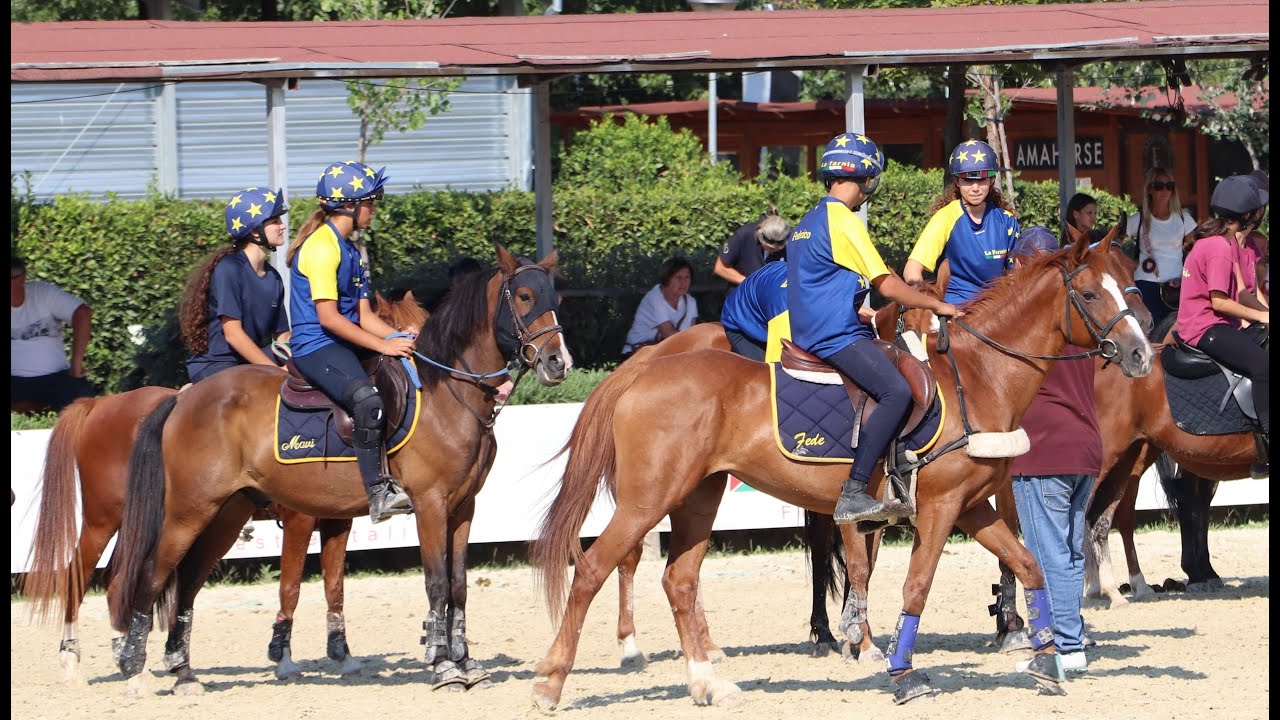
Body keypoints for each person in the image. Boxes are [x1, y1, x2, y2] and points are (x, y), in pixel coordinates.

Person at [787, 132, 959, 525]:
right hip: (834, 337)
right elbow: (889, 286)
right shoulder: (844, 221)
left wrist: (856, 309)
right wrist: (937, 304)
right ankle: (855, 489)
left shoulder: (808, 221)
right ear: (867, 178)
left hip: (813, 331)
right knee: (897, 391)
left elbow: (815, 282)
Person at [285, 160, 416, 524]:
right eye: (370, 202)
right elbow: (328, 318)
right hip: (316, 346)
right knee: (368, 400)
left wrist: (398, 338)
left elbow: (364, 316)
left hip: (342, 340)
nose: (373, 209)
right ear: (349, 204)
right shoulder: (321, 247)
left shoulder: (351, 251)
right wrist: (383, 346)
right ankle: (378, 492)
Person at [1007, 227, 1100, 676]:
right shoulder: (1079, 320)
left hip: (1042, 450)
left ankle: (1065, 647)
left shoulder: (1029, 325)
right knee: (1072, 553)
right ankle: (1073, 637)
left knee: (1049, 556)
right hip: (1085, 447)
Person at [1176, 174, 1269, 465]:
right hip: (1204, 327)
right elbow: (1219, 302)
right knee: (1263, 365)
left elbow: (1240, 293)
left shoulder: (1224, 244)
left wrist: (1266, 315)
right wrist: (1261, 315)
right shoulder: (1218, 248)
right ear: (1248, 215)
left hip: (1215, 324)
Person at [180, 187, 291, 384]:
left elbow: (282, 337)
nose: (283, 226)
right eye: (275, 221)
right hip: (217, 365)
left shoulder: (274, 277)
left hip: (247, 364)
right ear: (255, 232)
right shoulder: (229, 269)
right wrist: (276, 372)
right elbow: (233, 335)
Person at [903, 139, 1022, 304]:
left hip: (996, 311)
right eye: (968, 180)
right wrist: (932, 305)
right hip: (954, 311)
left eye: (981, 179)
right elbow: (911, 271)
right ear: (957, 182)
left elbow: (1018, 277)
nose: (975, 188)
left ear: (992, 180)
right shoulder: (944, 217)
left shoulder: (1007, 220)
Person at [10, 255, 97, 412]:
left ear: (21, 280)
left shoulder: (42, 293)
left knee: (83, 403)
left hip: (56, 378)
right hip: (14, 381)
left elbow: (83, 313)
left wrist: (76, 363)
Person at [1127, 167, 1197, 328]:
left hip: (1175, 285)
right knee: (1149, 332)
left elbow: (1195, 253)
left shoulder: (1183, 218)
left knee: (1177, 332)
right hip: (1146, 283)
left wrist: (1185, 278)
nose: (1165, 190)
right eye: (1159, 186)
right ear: (1150, 189)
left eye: (1169, 186)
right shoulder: (1138, 219)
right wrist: (1128, 263)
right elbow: (1114, 243)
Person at [622, 256, 699, 357]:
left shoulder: (691, 302)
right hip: (638, 354)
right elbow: (669, 334)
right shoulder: (654, 298)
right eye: (678, 277)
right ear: (667, 279)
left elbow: (691, 334)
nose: (683, 282)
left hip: (667, 354)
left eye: (687, 277)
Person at [720, 259, 789, 362]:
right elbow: (777, 361)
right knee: (766, 370)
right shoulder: (782, 310)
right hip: (739, 320)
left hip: (766, 294)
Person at [713, 208, 790, 287]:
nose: (772, 252)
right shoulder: (744, 235)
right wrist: (750, 284)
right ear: (760, 237)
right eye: (770, 248)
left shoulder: (791, 241)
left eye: (777, 249)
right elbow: (720, 268)